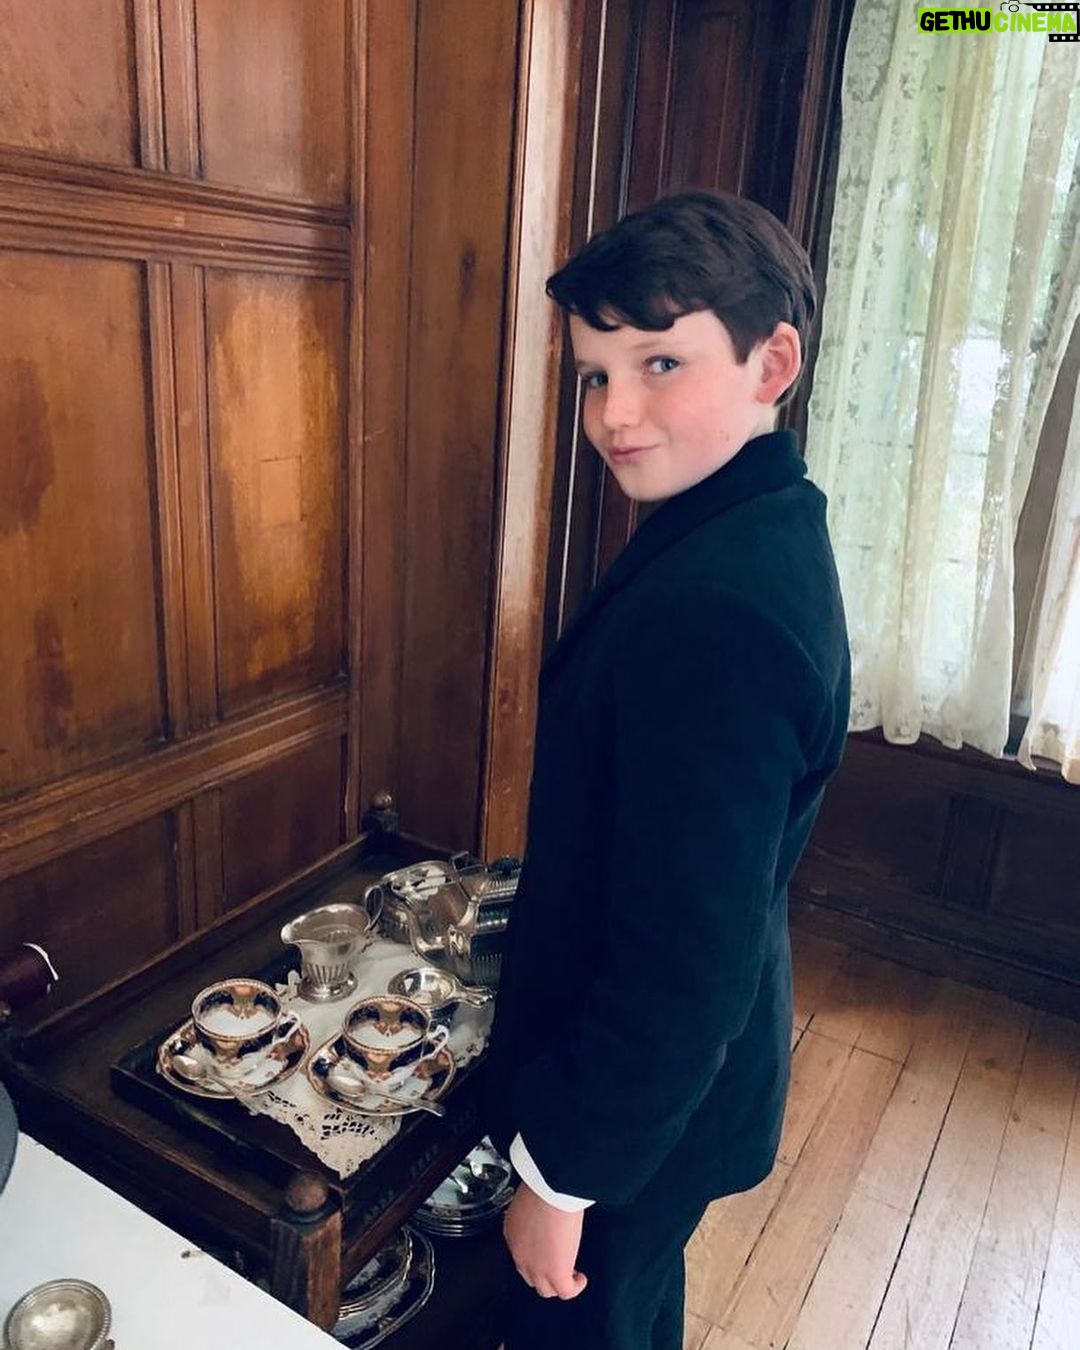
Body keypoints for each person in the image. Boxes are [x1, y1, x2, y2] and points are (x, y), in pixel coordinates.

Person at [484, 190, 851, 1350]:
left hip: (645, 1108)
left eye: (659, 363)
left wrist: (563, 1175)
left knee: (589, 1326)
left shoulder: (720, 608)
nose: (614, 413)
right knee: (635, 1310)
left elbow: (685, 963)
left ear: (770, 362)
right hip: (679, 1086)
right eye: (595, 376)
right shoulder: (756, 518)